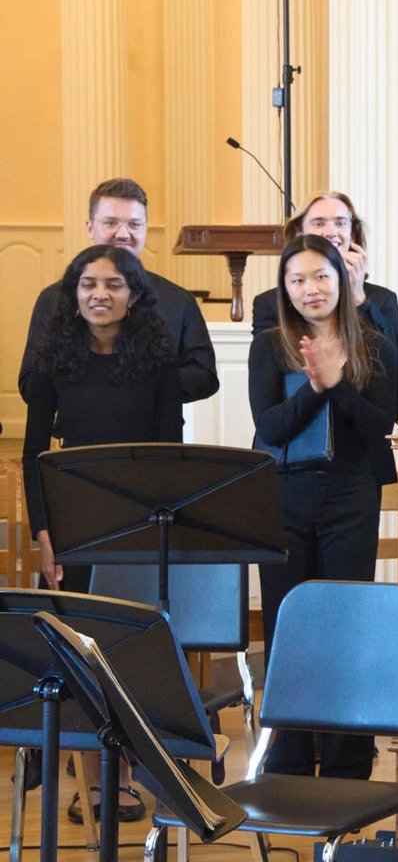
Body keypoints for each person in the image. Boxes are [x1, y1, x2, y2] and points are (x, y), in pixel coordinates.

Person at [22, 243, 183, 823]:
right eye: (88, 284)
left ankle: (134, 773)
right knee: (83, 653)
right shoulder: (53, 360)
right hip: (72, 522)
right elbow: (34, 453)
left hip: (138, 521)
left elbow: (170, 451)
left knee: (131, 651)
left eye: (113, 284)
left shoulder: (159, 361)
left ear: (133, 295)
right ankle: (95, 780)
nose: (99, 294)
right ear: (74, 295)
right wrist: (44, 533)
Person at [249, 234, 398, 778]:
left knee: (344, 625)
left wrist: (338, 384)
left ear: (341, 278)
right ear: (284, 289)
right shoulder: (270, 345)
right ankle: (287, 759)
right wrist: (315, 389)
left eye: (320, 276)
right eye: (297, 279)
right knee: (288, 626)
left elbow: (380, 428)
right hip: (283, 494)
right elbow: (269, 427)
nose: (310, 288)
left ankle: (347, 761)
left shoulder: (374, 346)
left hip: (350, 495)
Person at [19, 178, 217, 407]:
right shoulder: (54, 298)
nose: (123, 234)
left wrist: (141, 389)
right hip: (80, 426)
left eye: (134, 224)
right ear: (90, 228)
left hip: (154, 426)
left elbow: (204, 374)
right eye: (111, 223)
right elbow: (30, 383)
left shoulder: (177, 300)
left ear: (145, 229)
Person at [251, 191, 398, 375]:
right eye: (319, 223)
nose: (331, 232)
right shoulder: (269, 303)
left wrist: (359, 299)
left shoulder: (382, 298)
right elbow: (267, 371)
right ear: (299, 234)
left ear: (353, 235)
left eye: (340, 223)